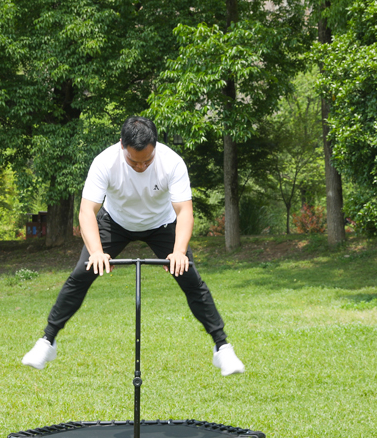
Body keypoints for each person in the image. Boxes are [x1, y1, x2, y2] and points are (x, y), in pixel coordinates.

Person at [21, 116, 245, 376]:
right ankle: (47, 341)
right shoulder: (104, 162)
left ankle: (222, 348)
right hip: (115, 223)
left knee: (191, 279)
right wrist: (96, 252)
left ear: (155, 147)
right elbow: (86, 211)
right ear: (121, 145)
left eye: (147, 161)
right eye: (133, 161)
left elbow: (184, 211)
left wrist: (179, 251)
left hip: (162, 225)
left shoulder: (172, 162)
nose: (140, 167)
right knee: (81, 274)